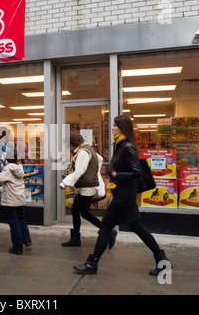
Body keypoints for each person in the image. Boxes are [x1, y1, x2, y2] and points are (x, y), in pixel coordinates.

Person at [74, 115, 171, 276]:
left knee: (105, 227)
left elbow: (136, 172)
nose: (112, 128)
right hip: (124, 193)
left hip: (124, 194)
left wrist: (115, 174)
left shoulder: (127, 147)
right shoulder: (121, 145)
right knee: (137, 228)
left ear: (122, 128)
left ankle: (92, 263)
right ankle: (163, 261)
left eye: (114, 126)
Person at [59, 132, 117, 248]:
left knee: (80, 211)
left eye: (68, 145)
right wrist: (94, 171)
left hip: (87, 187)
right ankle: (78, 238)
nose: (68, 148)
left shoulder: (83, 152)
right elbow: (99, 159)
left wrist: (65, 182)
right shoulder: (88, 149)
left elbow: (79, 170)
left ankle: (107, 232)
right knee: (80, 211)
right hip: (87, 186)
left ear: (73, 143)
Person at [0, 151, 32, 255]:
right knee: (22, 220)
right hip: (19, 199)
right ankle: (27, 240)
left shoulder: (8, 168)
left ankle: (17, 247)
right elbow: (12, 183)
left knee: (14, 224)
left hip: (10, 201)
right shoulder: (20, 167)